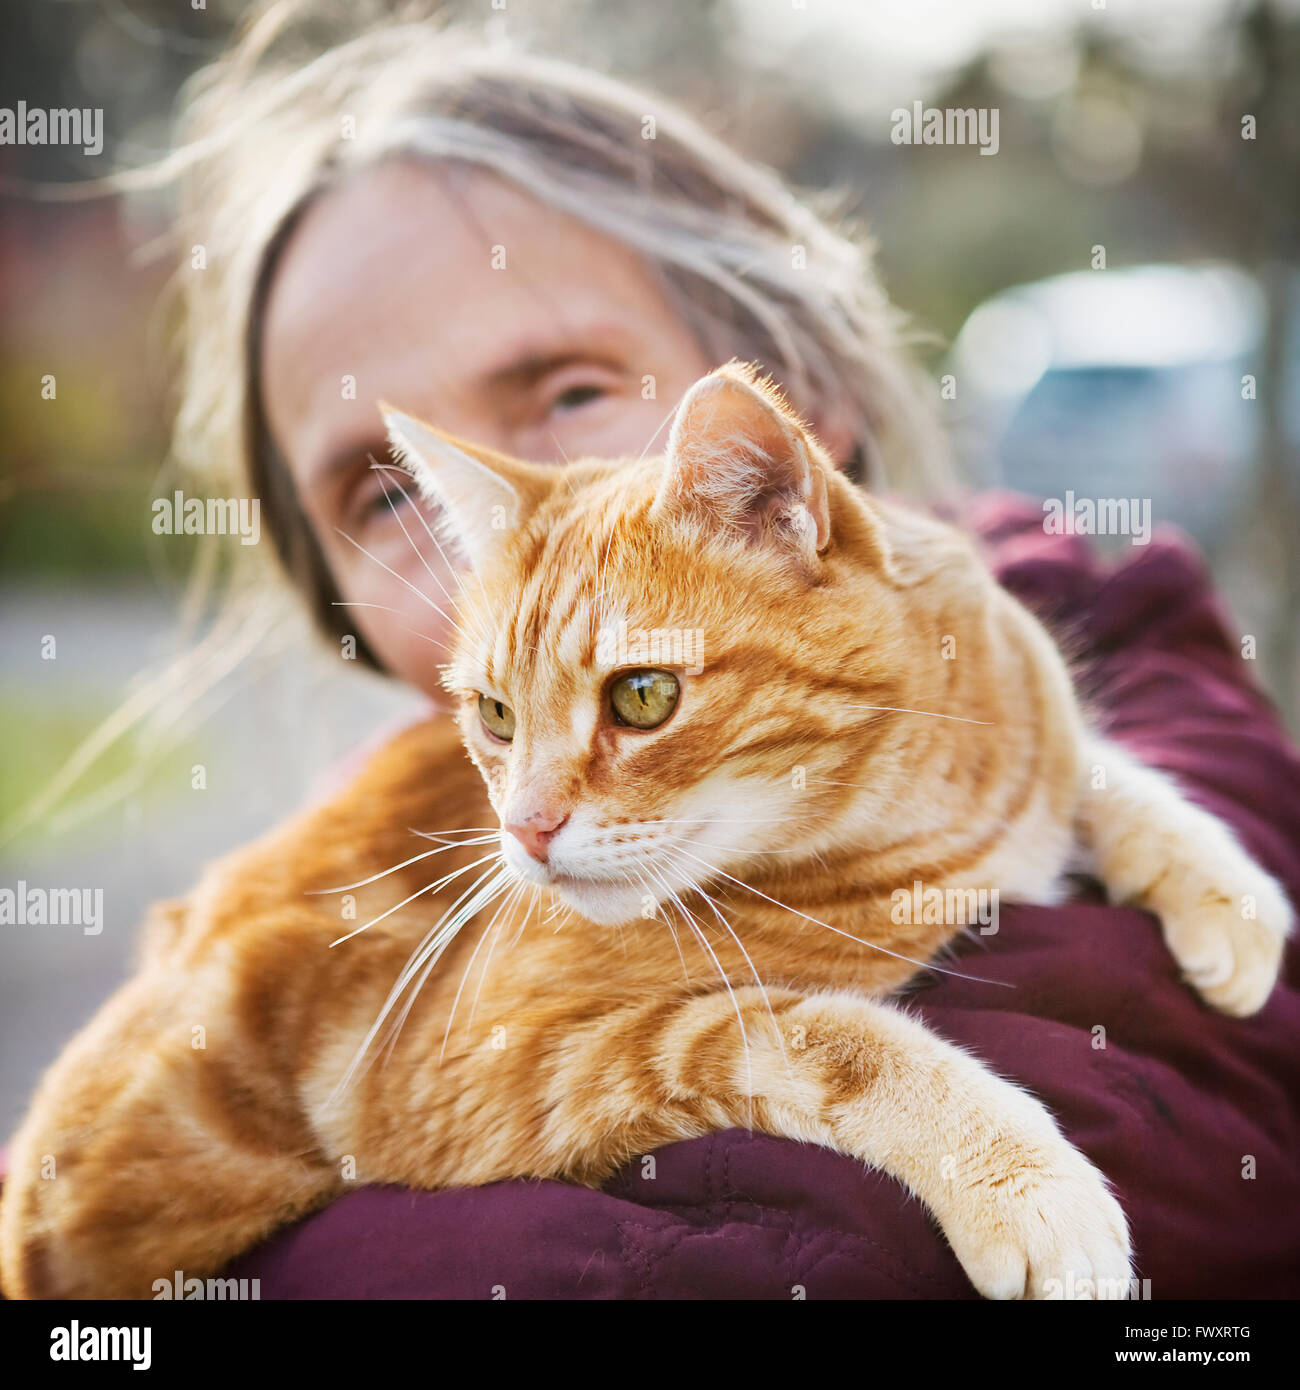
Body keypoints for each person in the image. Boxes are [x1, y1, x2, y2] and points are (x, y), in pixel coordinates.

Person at [39, 2, 1300, 1296]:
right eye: (386, 495)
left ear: (792, 422)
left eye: (574, 391)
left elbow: (814, 1256)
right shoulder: (432, 841)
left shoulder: (1124, 645)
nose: (530, 821)